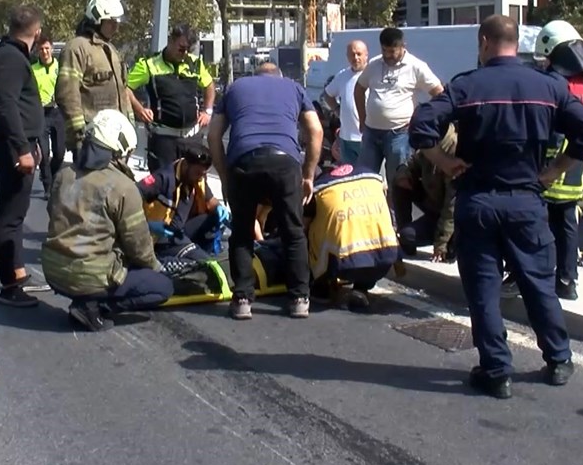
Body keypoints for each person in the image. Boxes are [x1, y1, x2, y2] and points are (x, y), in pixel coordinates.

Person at [408, 14, 583, 399]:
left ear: (484, 42)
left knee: (483, 289)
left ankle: (497, 371)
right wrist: (554, 170)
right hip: (527, 200)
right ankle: (559, 359)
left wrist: (445, 162)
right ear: (517, 44)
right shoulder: (548, 85)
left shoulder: (467, 85)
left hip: (478, 200)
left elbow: (421, 125)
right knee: (537, 283)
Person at [208, 62, 323, 320]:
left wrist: (225, 176)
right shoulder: (294, 88)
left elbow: (213, 136)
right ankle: (299, 298)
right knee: (293, 232)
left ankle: (242, 299)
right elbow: (315, 131)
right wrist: (308, 174)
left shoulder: (236, 87)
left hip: (244, 162)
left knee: (242, 232)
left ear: (255, 76)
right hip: (284, 162)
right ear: (279, 76)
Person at [41, 109, 174, 331]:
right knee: (162, 287)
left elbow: (54, 214)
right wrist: (157, 267)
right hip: (89, 276)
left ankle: (85, 300)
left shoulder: (63, 175)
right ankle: (93, 307)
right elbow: (139, 248)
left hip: (53, 270)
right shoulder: (124, 187)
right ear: (119, 150)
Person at [0, 5, 50, 308]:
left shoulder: (10, 55)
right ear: (36, 32)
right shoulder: (11, 59)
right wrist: (22, 148)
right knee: (10, 219)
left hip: (18, 144)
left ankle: (17, 273)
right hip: (14, 148)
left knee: (15, 216)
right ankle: (10, 286)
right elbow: (6, 105)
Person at [534, 20, 583, 301]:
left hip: (550, 165)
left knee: (536, 223)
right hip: (575, 165)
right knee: (566, 224)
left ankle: (528, 276)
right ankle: (567, 281)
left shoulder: (558, 82)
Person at [354, 27, 443, 189]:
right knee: (364, 180)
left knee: (397, 183)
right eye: (384, 50)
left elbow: (439, 93)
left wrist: (423, 119)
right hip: (371, 133)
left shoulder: (416, 66)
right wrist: (362, 118)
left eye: (392, 51)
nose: (388, 55)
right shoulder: (374, 64)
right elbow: (359, 89)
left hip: (399, 135)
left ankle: (394, 207)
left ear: (403, 47)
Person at [304, 163, 400, 311]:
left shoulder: (318, 190)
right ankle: (361, 288)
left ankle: (321, 288)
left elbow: (303, 226)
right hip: (385, 259)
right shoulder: (373, 179)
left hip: (344, 264)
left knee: (313, 230)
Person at [127, 24, 216, 172]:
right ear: (170, 41)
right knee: (163, 183)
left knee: (194, 183)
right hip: (163, 140)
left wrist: (208, 111)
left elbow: (209, 85)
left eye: (188, 49)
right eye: (181, 48)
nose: (184, 53)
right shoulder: (149, 64)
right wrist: (139, 109)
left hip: (191, 138)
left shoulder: (195, 63)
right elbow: (125, 88)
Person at [56, 0, 131, 154]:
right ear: (97, 19)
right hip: (92, 140)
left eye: (117, 23)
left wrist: (129, 125)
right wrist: (79, 133)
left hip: (115, 140)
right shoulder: (77, 48)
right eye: (111, 22)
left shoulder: (111, 50)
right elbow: (67, 94)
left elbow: (123, 92)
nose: (116, 28)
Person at [137, 138, 228, 259]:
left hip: (181, 231)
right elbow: (130, 197)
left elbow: (211, 201)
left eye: (203, 174)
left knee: (214, 218)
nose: (200, 177)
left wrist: (219, 208)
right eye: (198, 173)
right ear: (185, 165)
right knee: (202, 261)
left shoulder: (197, 178)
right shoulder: (163, 178)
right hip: (162, 237)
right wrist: (148, 225)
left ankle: (197, 249)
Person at [393, 125, 458, 263]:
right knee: (399, 181)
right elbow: (412, 163)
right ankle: (405, 243)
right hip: (435, 206)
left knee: (449, 247)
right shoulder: (428, 145)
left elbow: (451, 206)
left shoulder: (454, 150)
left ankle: (451, 245)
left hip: (454, 216)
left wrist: (441, 243)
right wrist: (404, 174)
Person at [323, 40, 369, 165]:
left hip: (367, 139)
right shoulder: (342, 75)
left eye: (359, 54)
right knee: (349, 174)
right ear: (347, 56)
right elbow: (327, 94)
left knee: (368, 173)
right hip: (346, 139)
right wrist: (337, 109)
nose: (356, 58)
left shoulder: (372, 75)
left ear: (366, 55)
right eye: (352, 54)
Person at [31, 35, 65, 195]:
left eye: (47, 48)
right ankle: (47, 186)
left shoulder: (61, 68)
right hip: (41, 114)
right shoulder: (33, 70)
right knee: (44, 154)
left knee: (59, 153)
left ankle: (50, 174)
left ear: (52, 49)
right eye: (41, 49)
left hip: (58, 113)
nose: (44, 52)